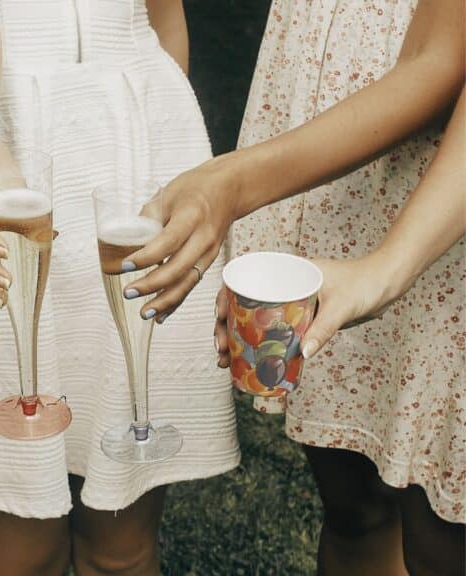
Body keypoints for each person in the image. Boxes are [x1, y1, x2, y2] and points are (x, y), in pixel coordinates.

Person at [0, 1, 240, 574]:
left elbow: (164, 13)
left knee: (123, 548)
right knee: (19, 555)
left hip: (135, 140)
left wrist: (162, 138)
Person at [128, 1, 464, 574]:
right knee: (352, 507)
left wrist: (233, 182)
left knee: (444, 538)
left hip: (440, 211)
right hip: (326, 180)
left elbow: (440, 57)